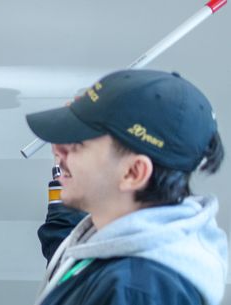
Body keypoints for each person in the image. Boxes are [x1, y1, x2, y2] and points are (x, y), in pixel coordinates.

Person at [28, 70, 227, 304]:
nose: (57, 149)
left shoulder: (138, 290)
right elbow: (64, 250)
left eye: (78, 143)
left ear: (133, 173)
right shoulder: (109, 251)